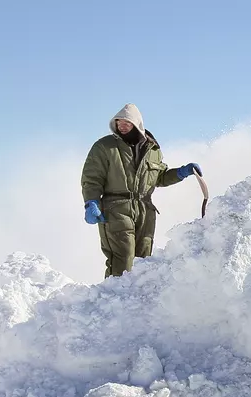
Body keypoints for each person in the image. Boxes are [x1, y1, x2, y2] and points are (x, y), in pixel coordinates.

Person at [80, 103, 202, 278]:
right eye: (118, 122)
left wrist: (182, 172)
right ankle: (114, 301)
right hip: (116, 208)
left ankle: (137, 304)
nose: (121, 126)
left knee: (143, 262)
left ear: (137, 124)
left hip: (145, 210)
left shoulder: (153, 150)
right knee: (123, 260)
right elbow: (91, 178)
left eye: (126, 122)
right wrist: (91, 202)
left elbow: (159, 178)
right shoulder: (104, 147)